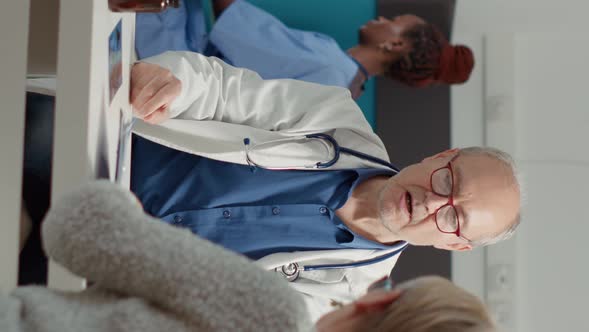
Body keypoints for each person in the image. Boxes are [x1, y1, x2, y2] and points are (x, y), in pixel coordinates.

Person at [128, 51, 521, 320]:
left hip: (111, 270)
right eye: (449, 180)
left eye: (454, 217)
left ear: (453, 244)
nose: (433, 202)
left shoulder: (341, 302)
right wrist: (175, 85)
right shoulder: (336, 120)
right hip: (112, 142)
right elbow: (223, 90)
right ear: (441, 155)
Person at [2, 181, 497, 332]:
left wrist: (121, 213)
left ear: (374, 304)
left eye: (455, 217)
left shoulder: (273, 314)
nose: (436, 204)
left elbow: (78, 228)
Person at [135, 0, 475, 99]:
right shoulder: (344, 88)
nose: (383, 17)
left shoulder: (329, 67)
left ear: (394, 44)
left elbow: (230, 16)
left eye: (395, 20)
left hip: (171, 61)